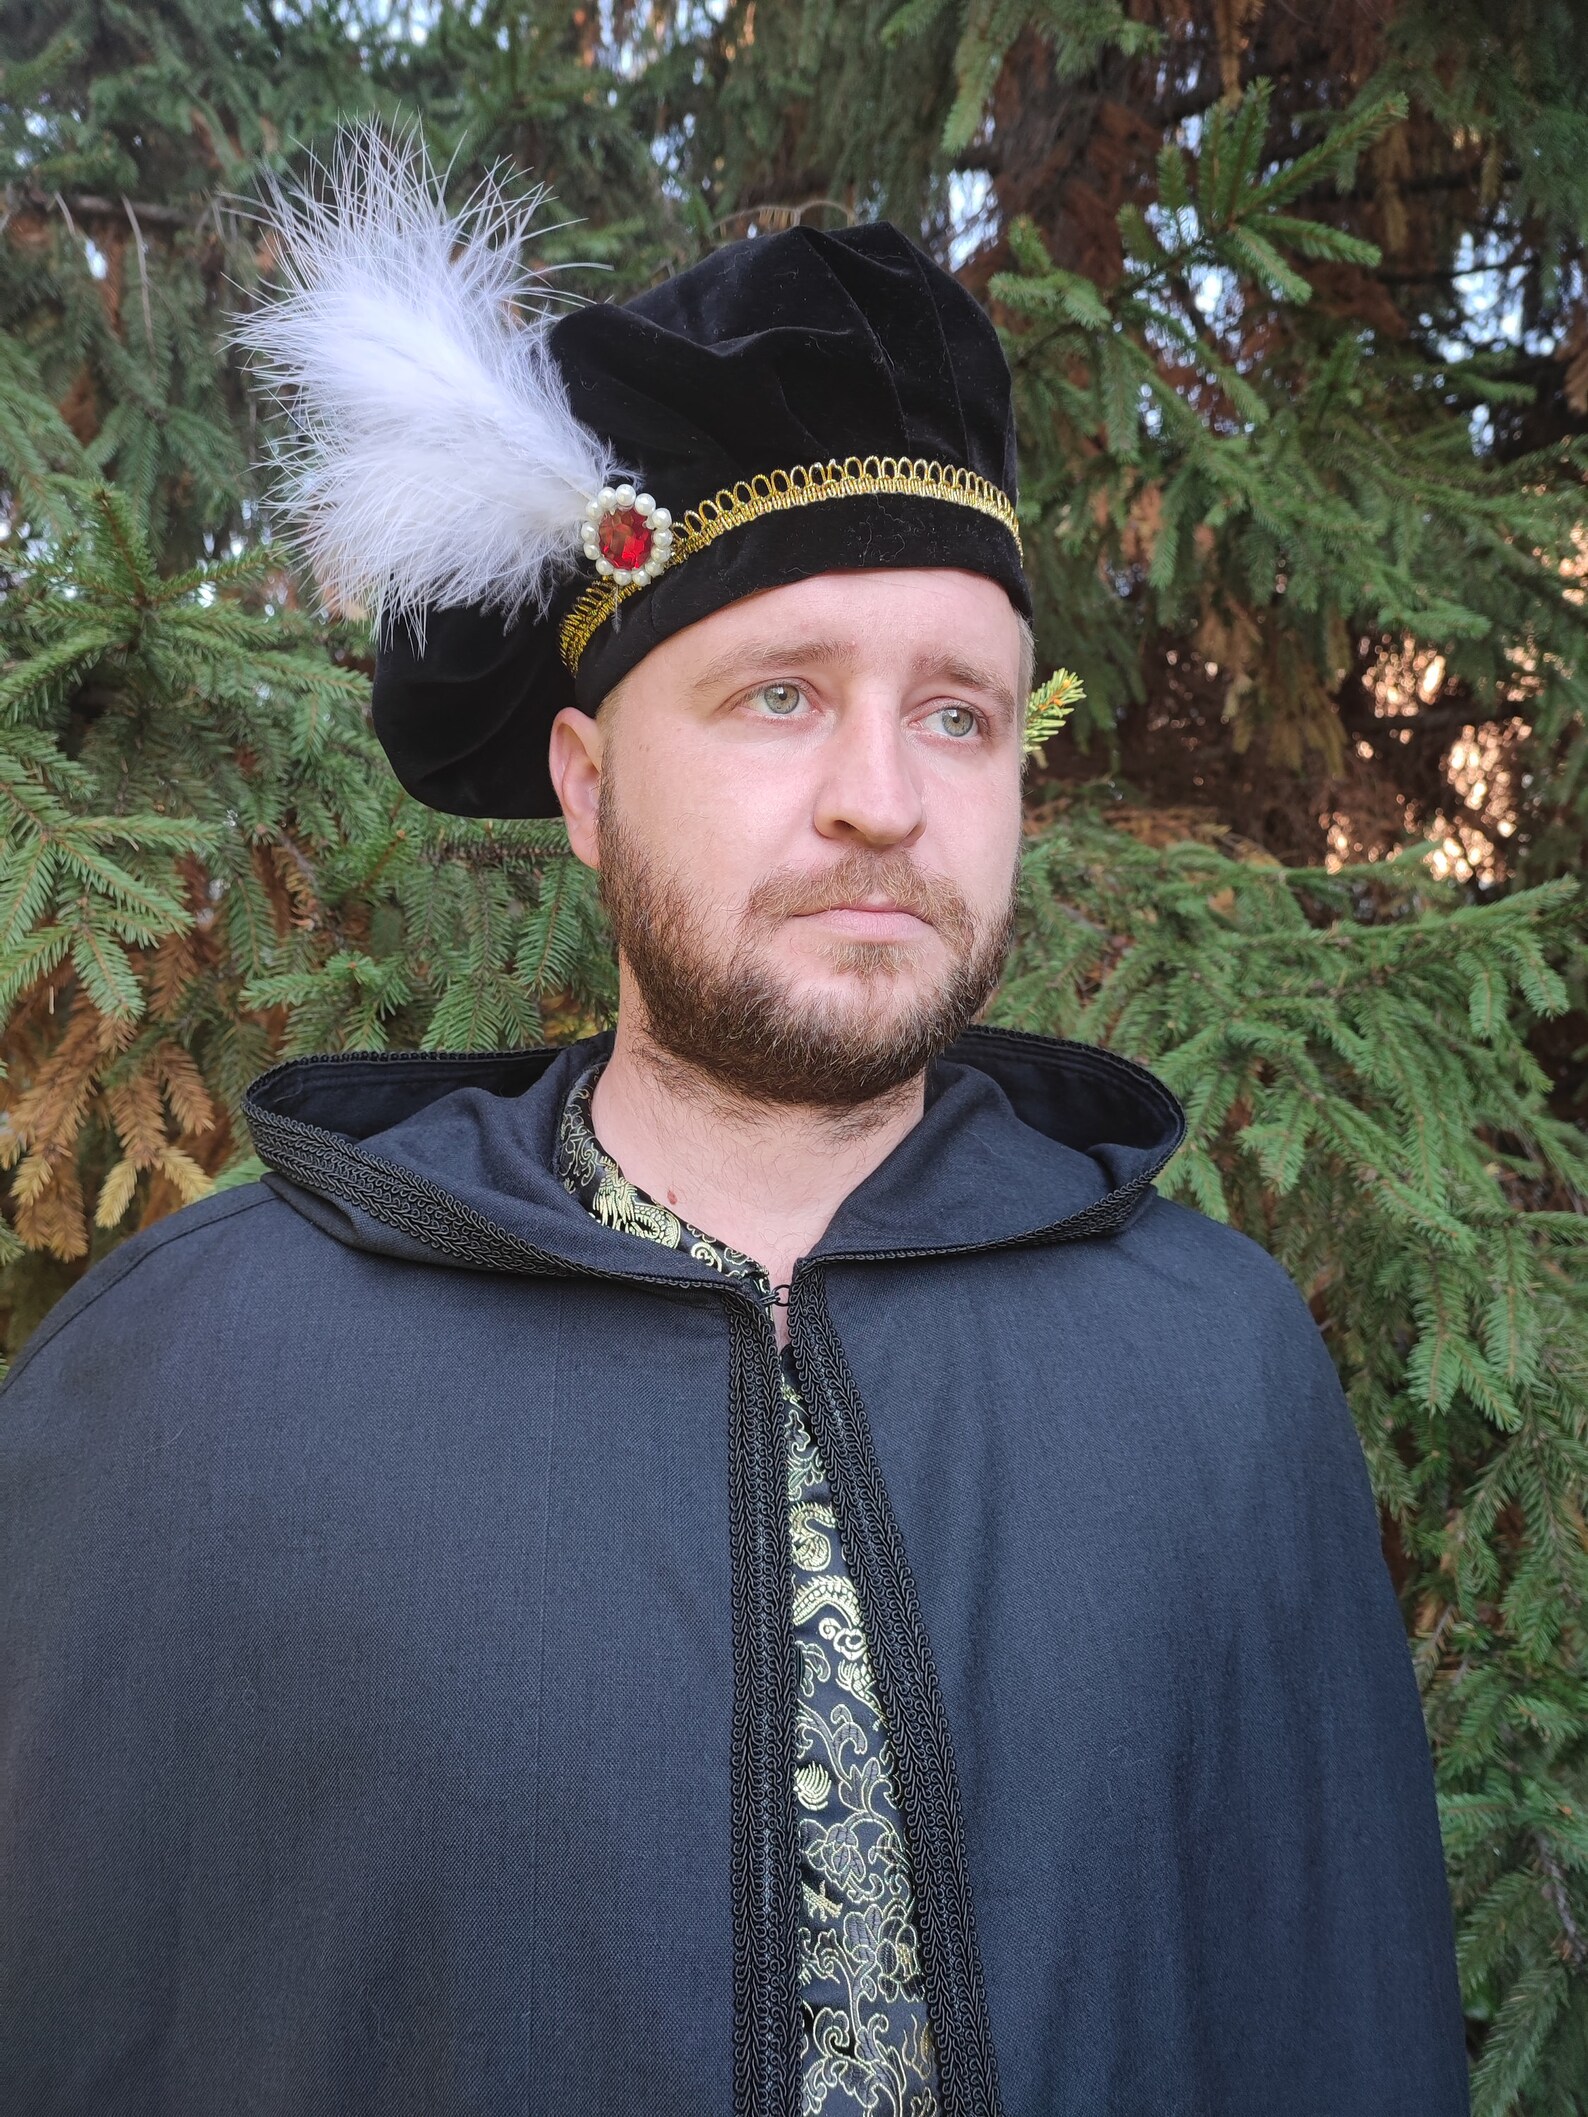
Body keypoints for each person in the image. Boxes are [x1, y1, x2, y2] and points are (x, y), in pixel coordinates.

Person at [0, 126, 1467, 2117]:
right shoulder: (198, 1384)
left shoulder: (1211, 1369)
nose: (883, 794)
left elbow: (1330, 2017)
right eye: (779, 695)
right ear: (589, 785)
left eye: (955, 711)